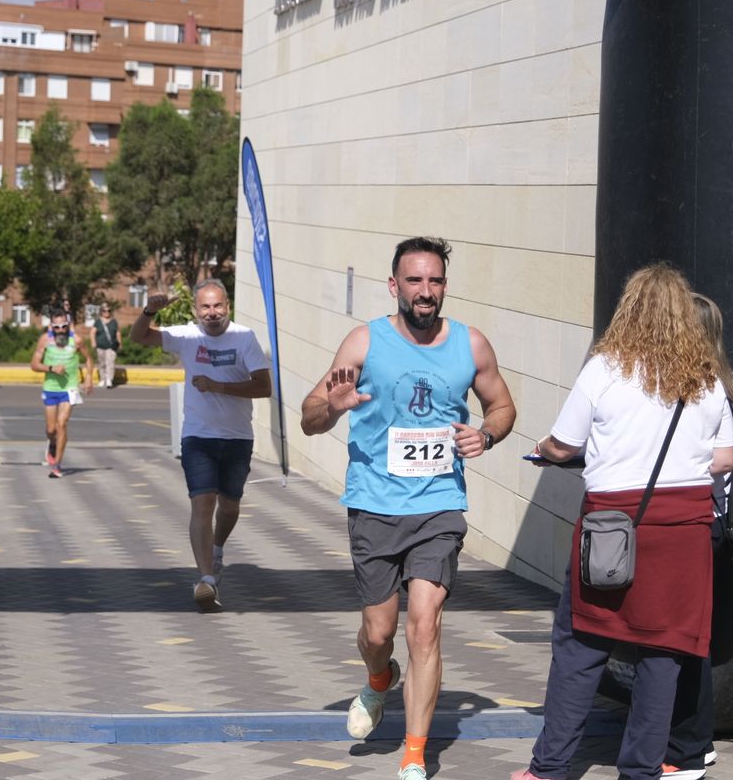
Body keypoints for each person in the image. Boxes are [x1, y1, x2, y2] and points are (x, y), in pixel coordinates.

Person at [301, 237, 516, 780]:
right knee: (379, 632)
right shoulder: (364, 342)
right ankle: (379, 680)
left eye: (435, 281)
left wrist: (486, 435)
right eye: (414, 281)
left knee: (424, 626)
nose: (425, 291)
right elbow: (308, 415)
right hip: (374, 505)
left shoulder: (470, 344)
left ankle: (415, 756)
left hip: (439, 505)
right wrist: (334, 404)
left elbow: (503, 405)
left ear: (445, 286)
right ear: (394, 285)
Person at [511, 263, 733, 780]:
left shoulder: (604, 369)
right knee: (665, 653)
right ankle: (640, 771)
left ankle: (548, 769)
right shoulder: (706, 378)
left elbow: (565, 444)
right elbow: (725, 458)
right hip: (684, 534)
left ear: (628, 310)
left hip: (613, 527)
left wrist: (545, 450)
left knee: (581, 644)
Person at [131, 279, 271, 612]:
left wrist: (217, 385)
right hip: (198, 437)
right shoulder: (187, 336)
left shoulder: (243, 338)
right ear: (196, 310)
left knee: (230, 505)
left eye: (218, 306)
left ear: (228, 307)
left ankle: (218, 546)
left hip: (237, 437)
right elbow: (139, 337)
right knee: (202, 504)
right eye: (205, 307)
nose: (212, 313)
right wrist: (150, 310)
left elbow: (263, 387)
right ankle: (206, 580)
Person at [661, 292, 733, 777]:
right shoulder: (710, 381)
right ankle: (691, 741)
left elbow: (725, 458)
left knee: (687, 636)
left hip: (702, 520)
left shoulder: (721, 385)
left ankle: (689, 746)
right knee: (684, 633)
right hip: (694, 519)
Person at [31, 308, 93, 478]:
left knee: (62, 424)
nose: (60, 330)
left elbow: (88, 359)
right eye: (56, 327)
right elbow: (34, 364)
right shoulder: (45, 340)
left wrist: (88, 378)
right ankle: (52, 443)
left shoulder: (77, 340)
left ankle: (57, 465)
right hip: (50, 388)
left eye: (63, 326)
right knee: (51, 429)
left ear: (68, 325)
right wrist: (51, 368)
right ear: (51, 326)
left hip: (70, 387)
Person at [93, 304, 121, 389]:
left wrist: (120, 343)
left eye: (109, 311)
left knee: (110, 362)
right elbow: (92, 332)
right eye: (104, 311)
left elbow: (117, 333)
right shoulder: (98, 322)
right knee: (102, 363)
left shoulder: (114, 321)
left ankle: (109, 379)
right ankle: (102, 379)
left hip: (111, 346)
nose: (107, 313)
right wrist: (93, 342)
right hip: (100, 345)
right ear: (101, 312)